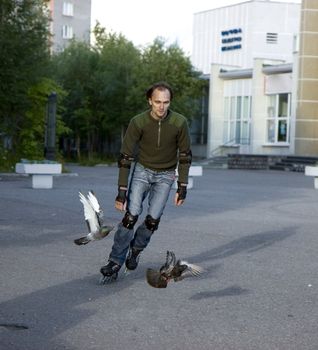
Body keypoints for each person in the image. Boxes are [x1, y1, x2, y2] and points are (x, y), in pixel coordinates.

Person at [100, 81, 192, 281]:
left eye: (166, 102)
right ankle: (115, 261)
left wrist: (182, 186)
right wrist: (122, 191)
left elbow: (185, 156)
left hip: (166, 175)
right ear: (150, 100)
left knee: (152, 221)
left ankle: (135, 249)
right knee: (130, 217)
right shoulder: (138, 122)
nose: (161, 107)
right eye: (157, 102)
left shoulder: (179, 122)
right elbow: (125, 157)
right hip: (142, 171)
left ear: (170, 102)